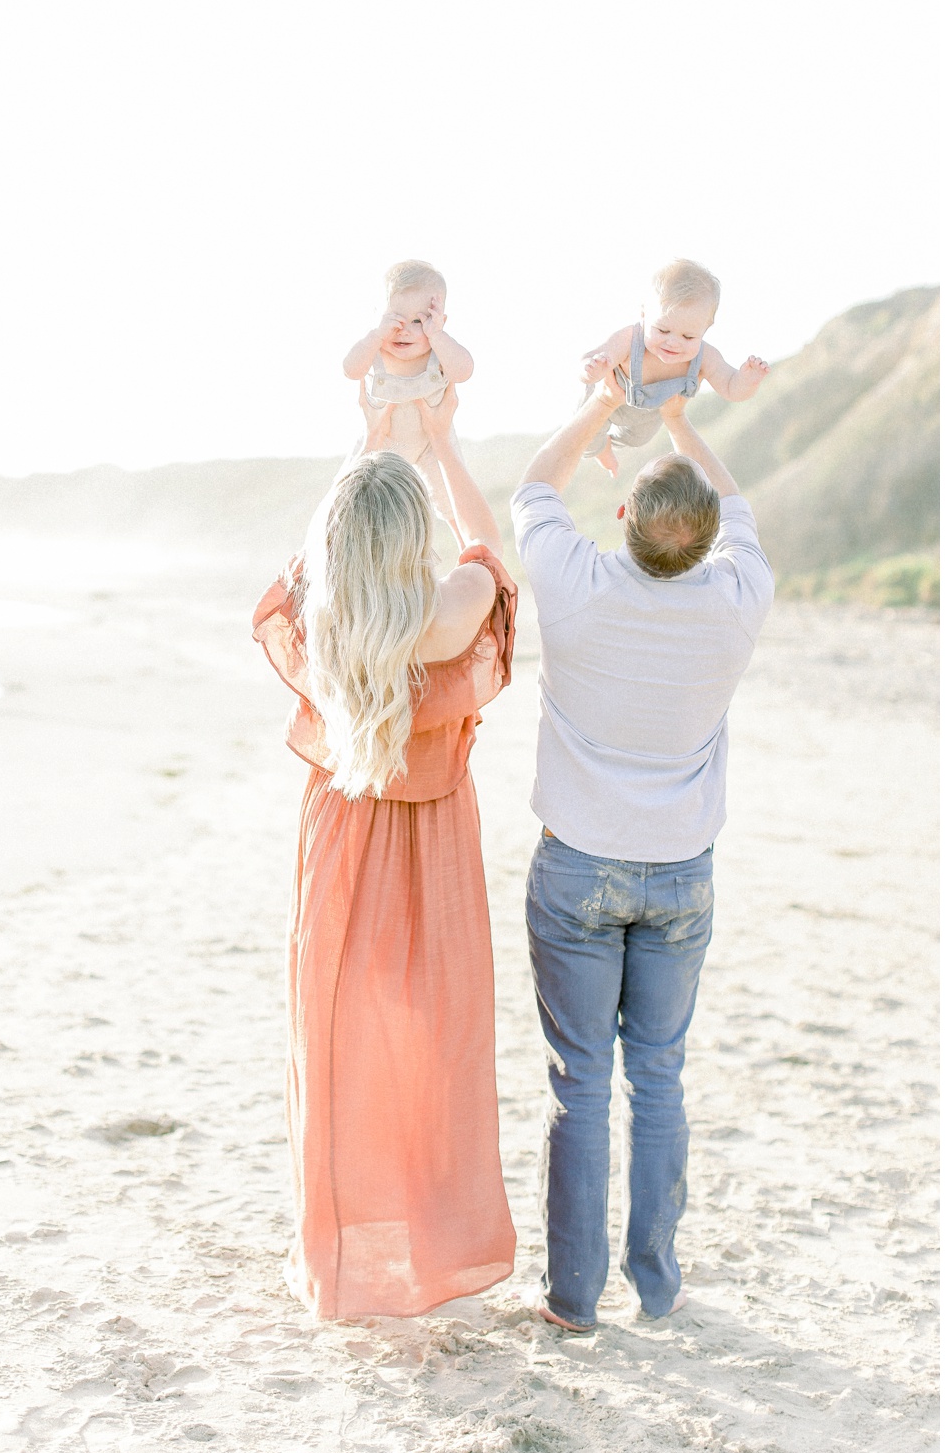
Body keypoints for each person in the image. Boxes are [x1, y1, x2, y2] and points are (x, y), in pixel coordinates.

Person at [510, 379, 774, 1333]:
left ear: (622, 517)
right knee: (656, 1077)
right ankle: (656, 1287)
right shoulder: (740, 599)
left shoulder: (575, 583)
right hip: (682, 874)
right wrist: (682, 422)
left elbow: (534, 487)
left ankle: (573, 1301)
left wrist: (596, 405)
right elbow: (740, 513)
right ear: (705, 542)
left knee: (580, 1083)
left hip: (577, 866)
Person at [252, 383, 516, 1320]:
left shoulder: (324, 621)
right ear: (414, 542)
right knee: (434, 1050)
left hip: (342, 843)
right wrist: (440, 449)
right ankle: (436, 1251)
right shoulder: (453, 611)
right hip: (432, 854)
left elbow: (307, 565)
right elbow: (490, 551)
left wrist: (368, 443)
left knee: (336, 1043)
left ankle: (342, 1256)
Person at [577, 258, 770, 477]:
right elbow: (591, 357)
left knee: (639, 439)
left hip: (647, 415)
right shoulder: (630, 340)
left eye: (688, 336)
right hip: (605, 399)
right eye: (662, 330)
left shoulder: (705, 356)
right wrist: (591, 369)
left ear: (706, 328)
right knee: (586, 441)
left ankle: (612, 443)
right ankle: (602, 451)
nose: (673, 343)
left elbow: (730, 388)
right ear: (643, 314)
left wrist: (748, 380)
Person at [342, 259, 474, 525]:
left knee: (451, 501)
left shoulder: (440, 350)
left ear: (440, 321)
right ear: (378, 316)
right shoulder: (375, 350)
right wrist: (376, 336)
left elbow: (464, 371)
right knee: (350, 492)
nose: (404, 330)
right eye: (394, 319)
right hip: (380, 440)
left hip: (432, 442)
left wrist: (437, 335)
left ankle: (468, 546)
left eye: (419, 320)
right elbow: (350, 369)